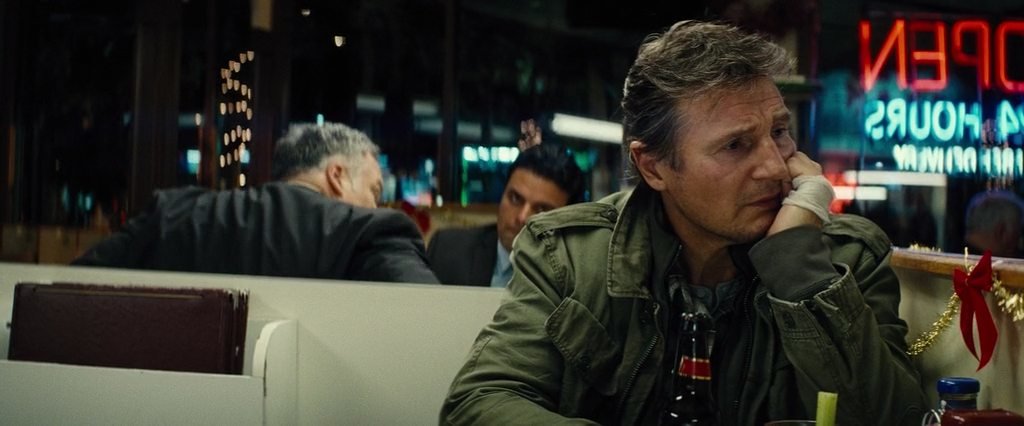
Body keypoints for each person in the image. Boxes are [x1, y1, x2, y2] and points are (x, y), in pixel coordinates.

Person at [441, 20, 928, 424]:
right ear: (654, 167)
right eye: (735, 145)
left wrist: (797, 263)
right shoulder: (567, 254)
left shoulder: (845, 259)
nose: (777, 167)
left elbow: (898, 418)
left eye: (780, 131)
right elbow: (478, 404)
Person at [74, 122, 438, 284]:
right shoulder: (372, 234)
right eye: (375, 191)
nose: (377, 206)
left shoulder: (173, 214)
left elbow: (70, 286)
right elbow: (431, 318)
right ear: (337, 175)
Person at [427, 123, 585, 286]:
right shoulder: (448, 249)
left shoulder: (579, 279)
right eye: (515, 199)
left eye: (541, 210)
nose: (522, 217)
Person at [964, 190, 1024, 258]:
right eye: (1017, 233)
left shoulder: (956, 254)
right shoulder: (990, 263)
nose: (1020, 243)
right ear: (1002, 231)